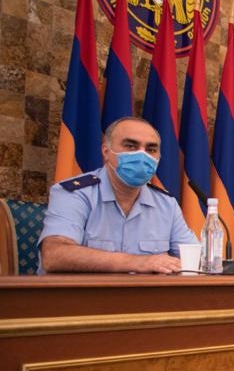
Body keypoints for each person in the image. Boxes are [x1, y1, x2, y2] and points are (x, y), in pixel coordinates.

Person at [37, 116, 196, 274]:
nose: (142, 155)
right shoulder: (75, 194)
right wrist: (139, 262)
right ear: (106, 151)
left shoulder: (167, 204)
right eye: (131, 146)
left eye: (151, 150)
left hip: (144, 291)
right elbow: (54, 256)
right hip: (82, 291)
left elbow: (196, 260)